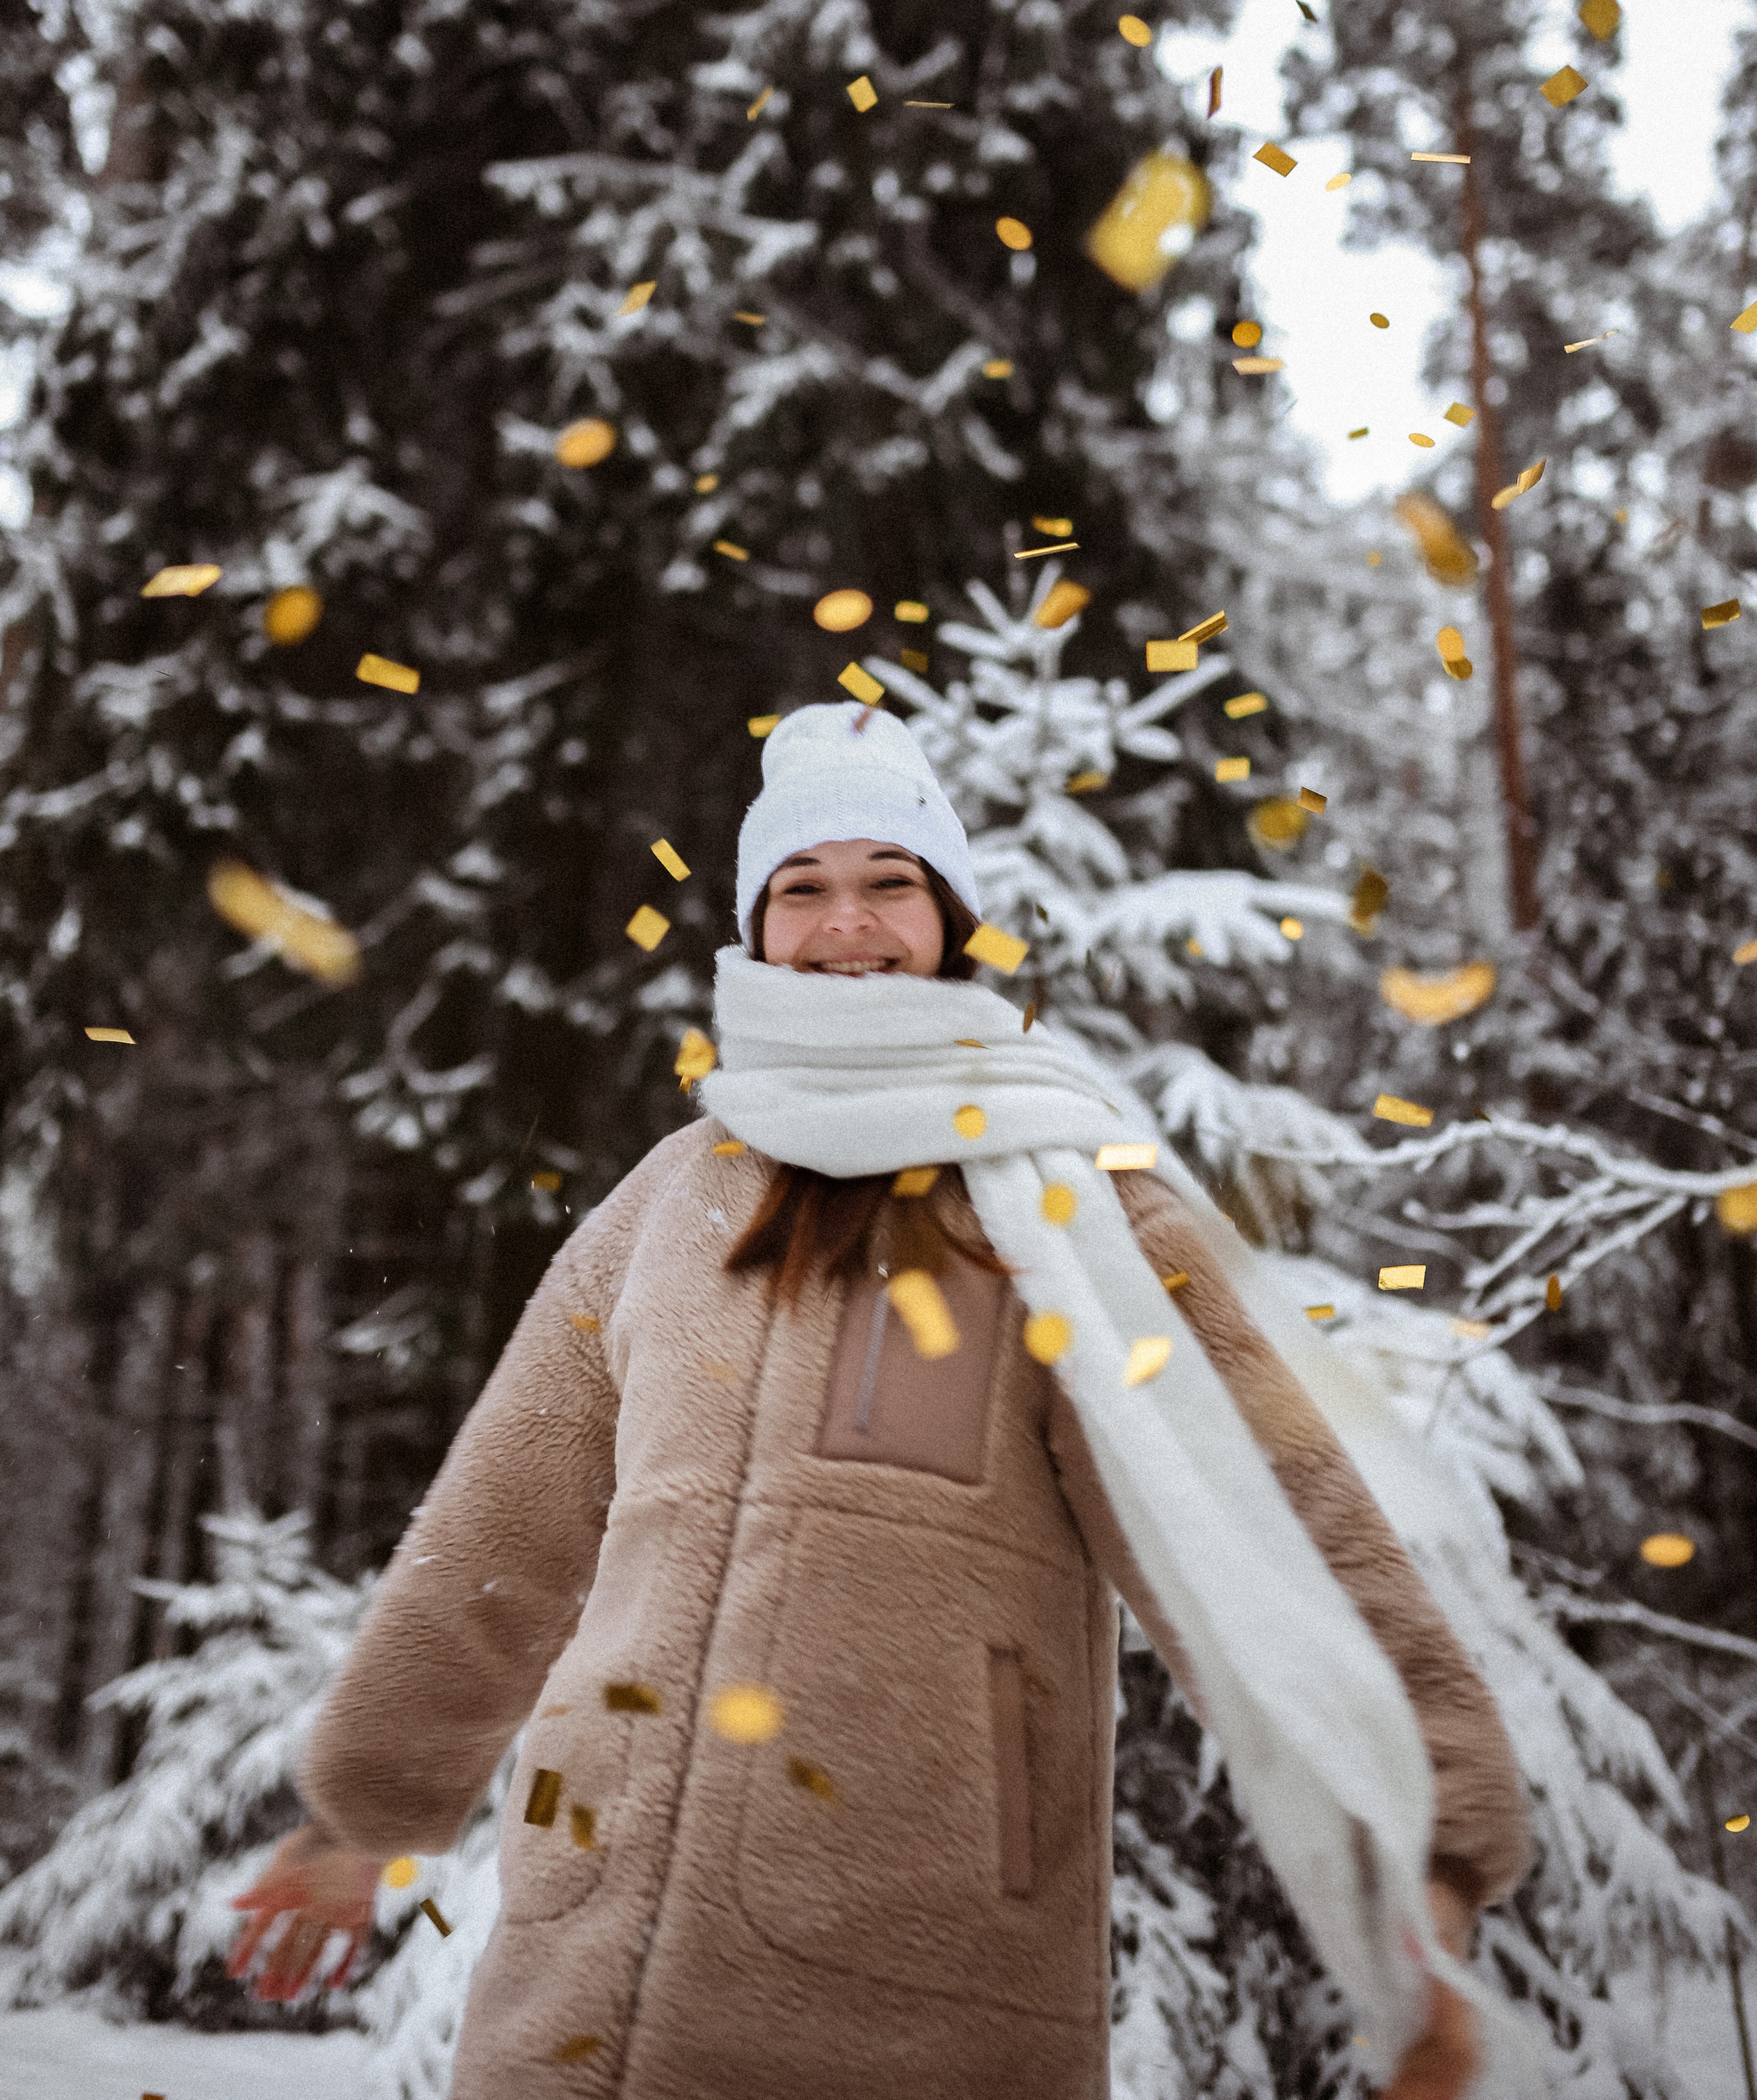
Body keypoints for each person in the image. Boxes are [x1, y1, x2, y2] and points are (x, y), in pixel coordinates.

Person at [230, 703, 1530, 2100]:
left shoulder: (1069, 1201)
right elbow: (504, 1523)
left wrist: (1432, 1839)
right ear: (754, 930)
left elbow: (1280, 1515)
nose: (845, 923)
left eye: (887, 884)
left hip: (915, 1991)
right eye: (803, 889)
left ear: (950, 916)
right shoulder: (665, 1201)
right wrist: (363, 1809)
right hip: (581, 1980)